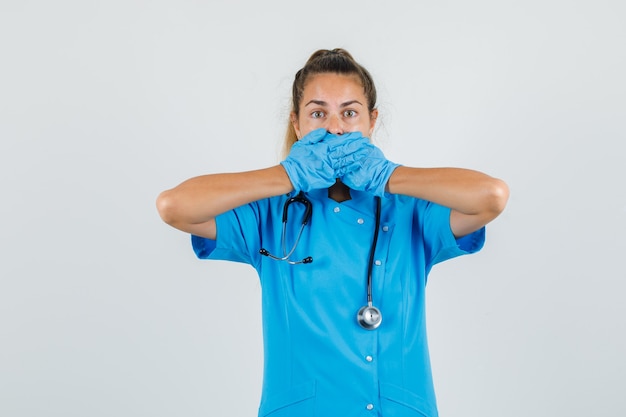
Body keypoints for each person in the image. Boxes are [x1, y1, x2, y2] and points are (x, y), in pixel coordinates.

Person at [157, 48, 509, 417]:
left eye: (350, 113)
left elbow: (491, 196)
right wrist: (287, 175)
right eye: (318, 113)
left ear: (372, 121)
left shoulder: (409, 211)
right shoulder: (271, 214)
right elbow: (174, 206)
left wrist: (387, 176)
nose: (336, 128)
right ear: (297, 124)